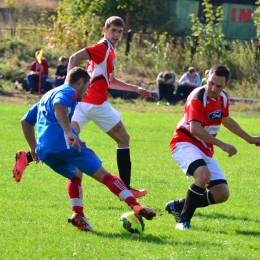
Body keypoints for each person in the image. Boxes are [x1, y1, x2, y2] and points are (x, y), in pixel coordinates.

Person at [19, 67, 156, 232]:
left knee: (75, 174)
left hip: (46, 151)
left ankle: (78, 215)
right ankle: (136, 206)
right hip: (65, 144)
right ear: (80, 82)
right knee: (103, 175)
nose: (86, 92)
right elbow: (59, 105)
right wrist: (69, 132)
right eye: (87, 87)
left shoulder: (47, 95)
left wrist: (33, 148)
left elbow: (25, 121)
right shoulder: (69, 91)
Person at [165, 65, 260, 230]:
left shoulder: (223, 97)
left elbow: (227, 120)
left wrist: (249, 138)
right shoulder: (197, 97)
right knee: (203, 175)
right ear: (206, 78)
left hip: (204, 147)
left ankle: (178, 206)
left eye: (219, 86)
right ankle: (183, 221)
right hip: (184, 142)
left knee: (222, 194)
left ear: (225, 86)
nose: (213, 88)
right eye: (211, 83)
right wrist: (223, 145)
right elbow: (195, 128)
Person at [67, 16, 151, 199]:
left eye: (120, 32)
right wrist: (68, 87)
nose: (116, 35)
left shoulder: (109, 51)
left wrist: (136, 89)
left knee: (66, 141)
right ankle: (127, 189)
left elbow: (110, 81)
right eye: (113, 30)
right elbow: (74, 58)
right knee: (124, 139)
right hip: (95, 104)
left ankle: (27, 156)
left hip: (82, 104)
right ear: (105, 30)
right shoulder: (103, 47)